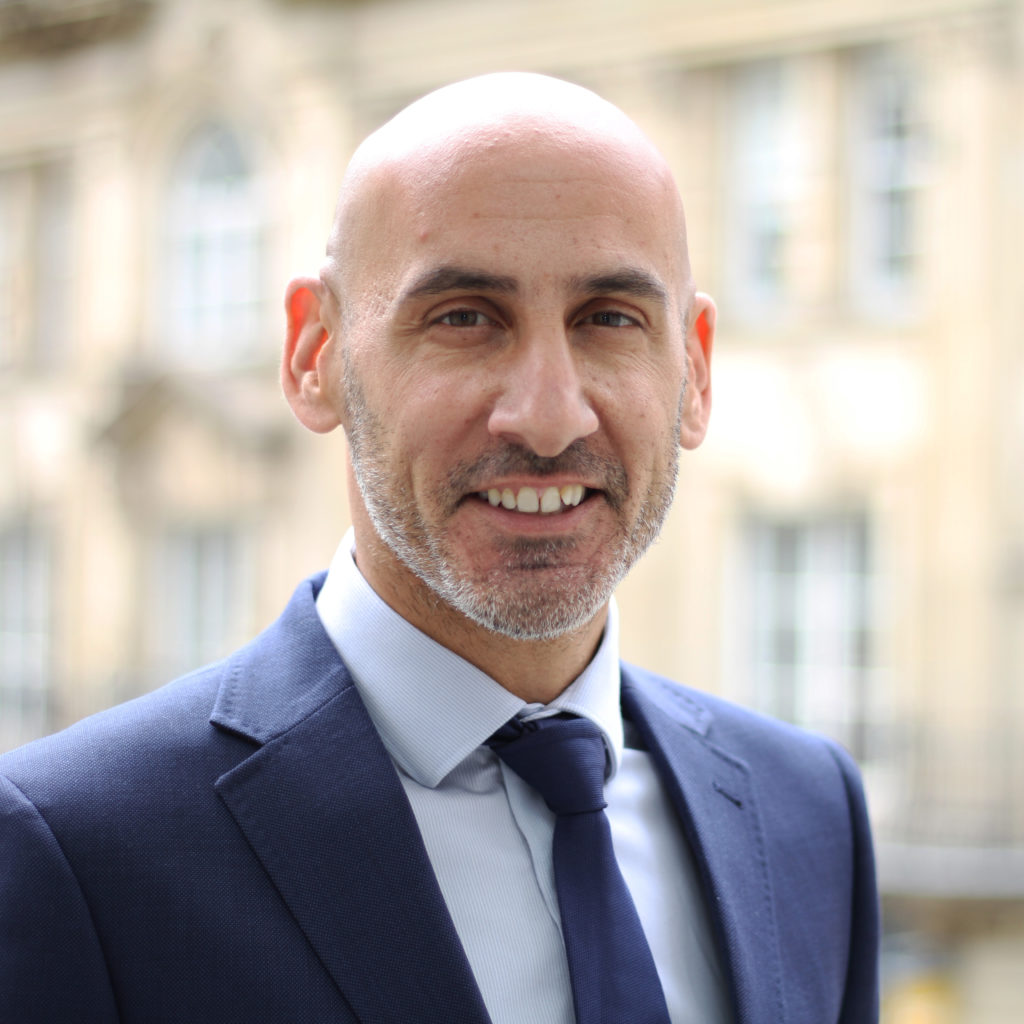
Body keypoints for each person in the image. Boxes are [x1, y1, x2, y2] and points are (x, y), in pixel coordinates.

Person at [0, 73, 879, 1023]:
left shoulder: (807, 812)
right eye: (464, 317)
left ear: (695, 372)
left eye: (609, 319)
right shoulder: (78, 849)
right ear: (315, 355)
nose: (548, 416)